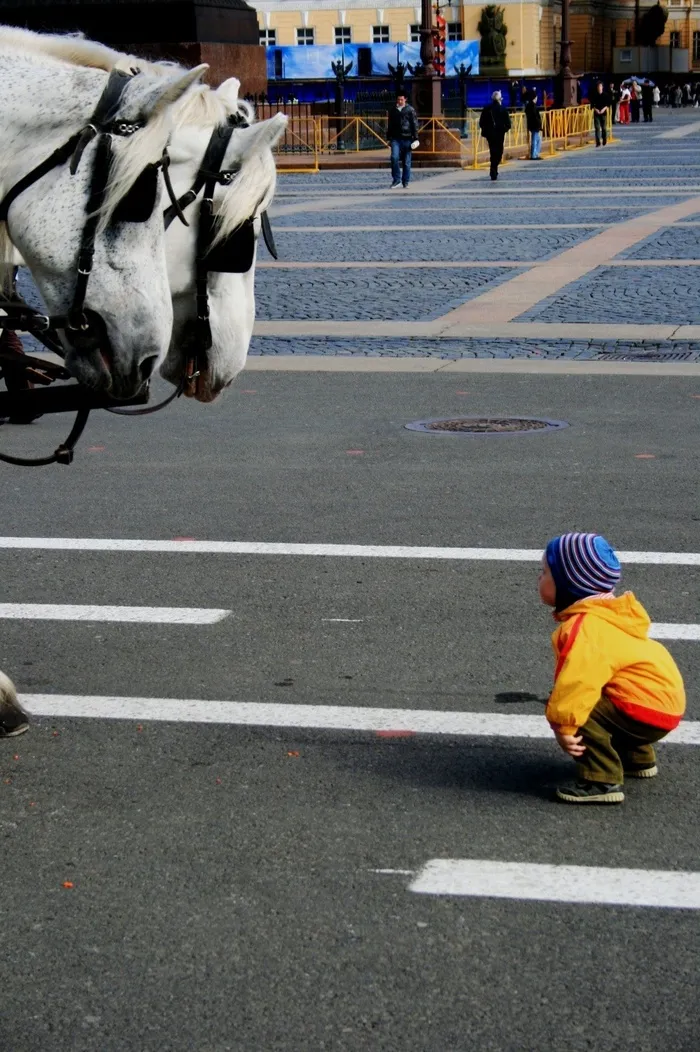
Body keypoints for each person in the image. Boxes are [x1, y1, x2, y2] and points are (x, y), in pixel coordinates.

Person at [539, 532, 685, 805]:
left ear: (569, 583)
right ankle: (637, 757)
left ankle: (601, 778)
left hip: (642, 709)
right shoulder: (612, 614)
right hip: (663, 705)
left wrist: (564, 726)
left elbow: (577, 683)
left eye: (545, 572)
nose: (539, 578)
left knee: (577, 706)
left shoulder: (586, 627)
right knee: (614, 692)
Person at [387, 92, 419, 189]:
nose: (400, 101)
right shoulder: (393, 110)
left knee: (406, 161)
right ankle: (396, 180)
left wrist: (416, 138)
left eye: (401, 99)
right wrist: (388, 138)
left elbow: (414, 124)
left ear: (405, 99)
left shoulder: (410, 110)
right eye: (398, 99)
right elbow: (390, 124)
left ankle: (405, 181)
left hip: (407, 138)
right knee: (394, 157)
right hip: (395, 138)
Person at [479, 90, 511, 181]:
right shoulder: (503, 109)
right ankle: (493, 170)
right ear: (500, 99)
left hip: (490, 135)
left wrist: (486, 130)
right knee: (499, 152)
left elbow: (481, 122)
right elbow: (508, 124)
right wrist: (504, 129)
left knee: (493, 151)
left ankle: (493, 170)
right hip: (500, 134)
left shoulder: (486, 109)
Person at [590, 82, 610, 146]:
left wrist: (603, 109)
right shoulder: (594, 95)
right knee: (597, 128)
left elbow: (607, 105)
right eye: (598, 86)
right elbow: (592, 105)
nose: (599, 88)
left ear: (602, 87)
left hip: (603, 113)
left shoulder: (605, 95)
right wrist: (596, 109)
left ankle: (604, 139)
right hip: (596, 113)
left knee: (604, 128)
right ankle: (598, 142)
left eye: (600, 86)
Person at [525, 90, 542, 159]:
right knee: (535, 140)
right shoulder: (532, 106)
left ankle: (536, 154)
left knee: (538, 140)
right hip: (534, 125)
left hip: (533, 125)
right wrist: (538, 124)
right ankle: (534, 155)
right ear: (534, 98)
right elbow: (535, 117)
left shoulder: (530, 105)